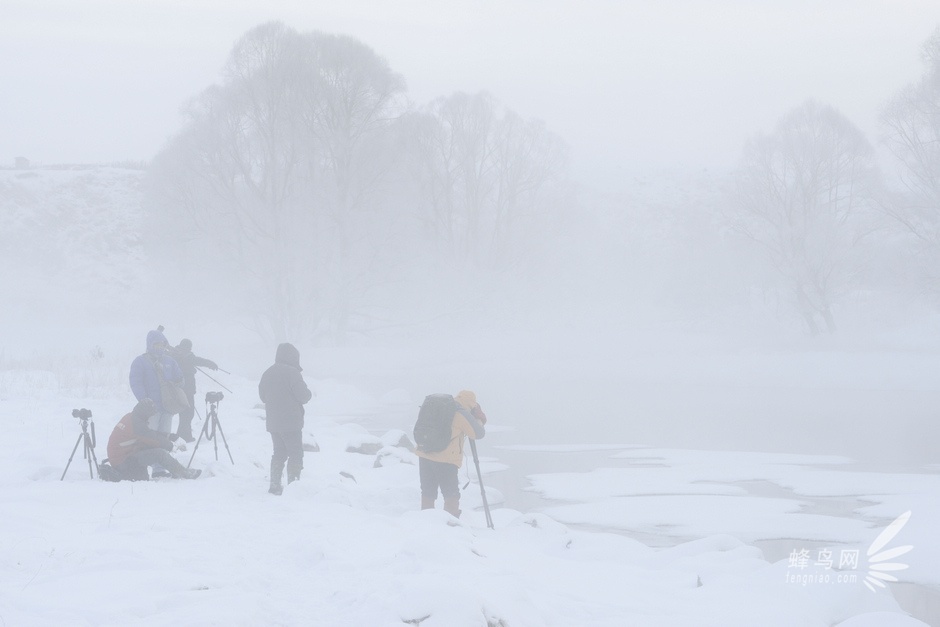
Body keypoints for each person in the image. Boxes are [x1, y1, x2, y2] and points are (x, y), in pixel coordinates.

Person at [415, 390, 486, 518]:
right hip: (445, 460)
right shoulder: (460, 412)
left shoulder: (438, 406)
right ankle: (451, 524)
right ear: (472, 403)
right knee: (451, 494)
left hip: (424, 454)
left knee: (427, 492)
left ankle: (425, 522)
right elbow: (478, 433)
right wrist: (479, 419)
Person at [129, 328, 186, 477]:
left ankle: (159, 468)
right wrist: (144, 401)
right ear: (150, 344)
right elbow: (136, 382)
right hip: (151, 409)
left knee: (163, 437)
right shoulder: (140, 361)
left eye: (162, 344)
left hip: (168, 407)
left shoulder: (170, 361)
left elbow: (180, 378)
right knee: (150, 438)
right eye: (157, 344)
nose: (160, 347)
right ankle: (145, 467)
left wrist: (180, 381)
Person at [259, 343, 313, 495]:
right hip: (291, 423)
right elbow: (304, 396)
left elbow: (262, 396)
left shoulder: (267, 373)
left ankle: (275, 486)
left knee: (279, 453)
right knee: (295, 454)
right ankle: (293, 488)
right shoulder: (293, 373)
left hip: (273, 423)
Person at [106, 398, 201, 480]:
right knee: (159, 453)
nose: (151, 417)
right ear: (145, 413)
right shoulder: (137, 424)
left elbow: (148, 434)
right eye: (150, 414)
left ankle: (178, 471)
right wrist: (171, 446)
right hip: (123, 461)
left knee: (150, 448)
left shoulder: (131, 417)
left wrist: (169, 436)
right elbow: (153, 439)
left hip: (121, 458)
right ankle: (184, 473)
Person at [169, 338, 219, 442]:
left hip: (179, 390)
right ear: (187, 348)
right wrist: (211, 364)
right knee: (188, 414)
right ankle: (184, 437)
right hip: (187, 390)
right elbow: (200, 361)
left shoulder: (175, 355)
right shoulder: (187, 356)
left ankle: (182, 436)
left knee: (185, 414)